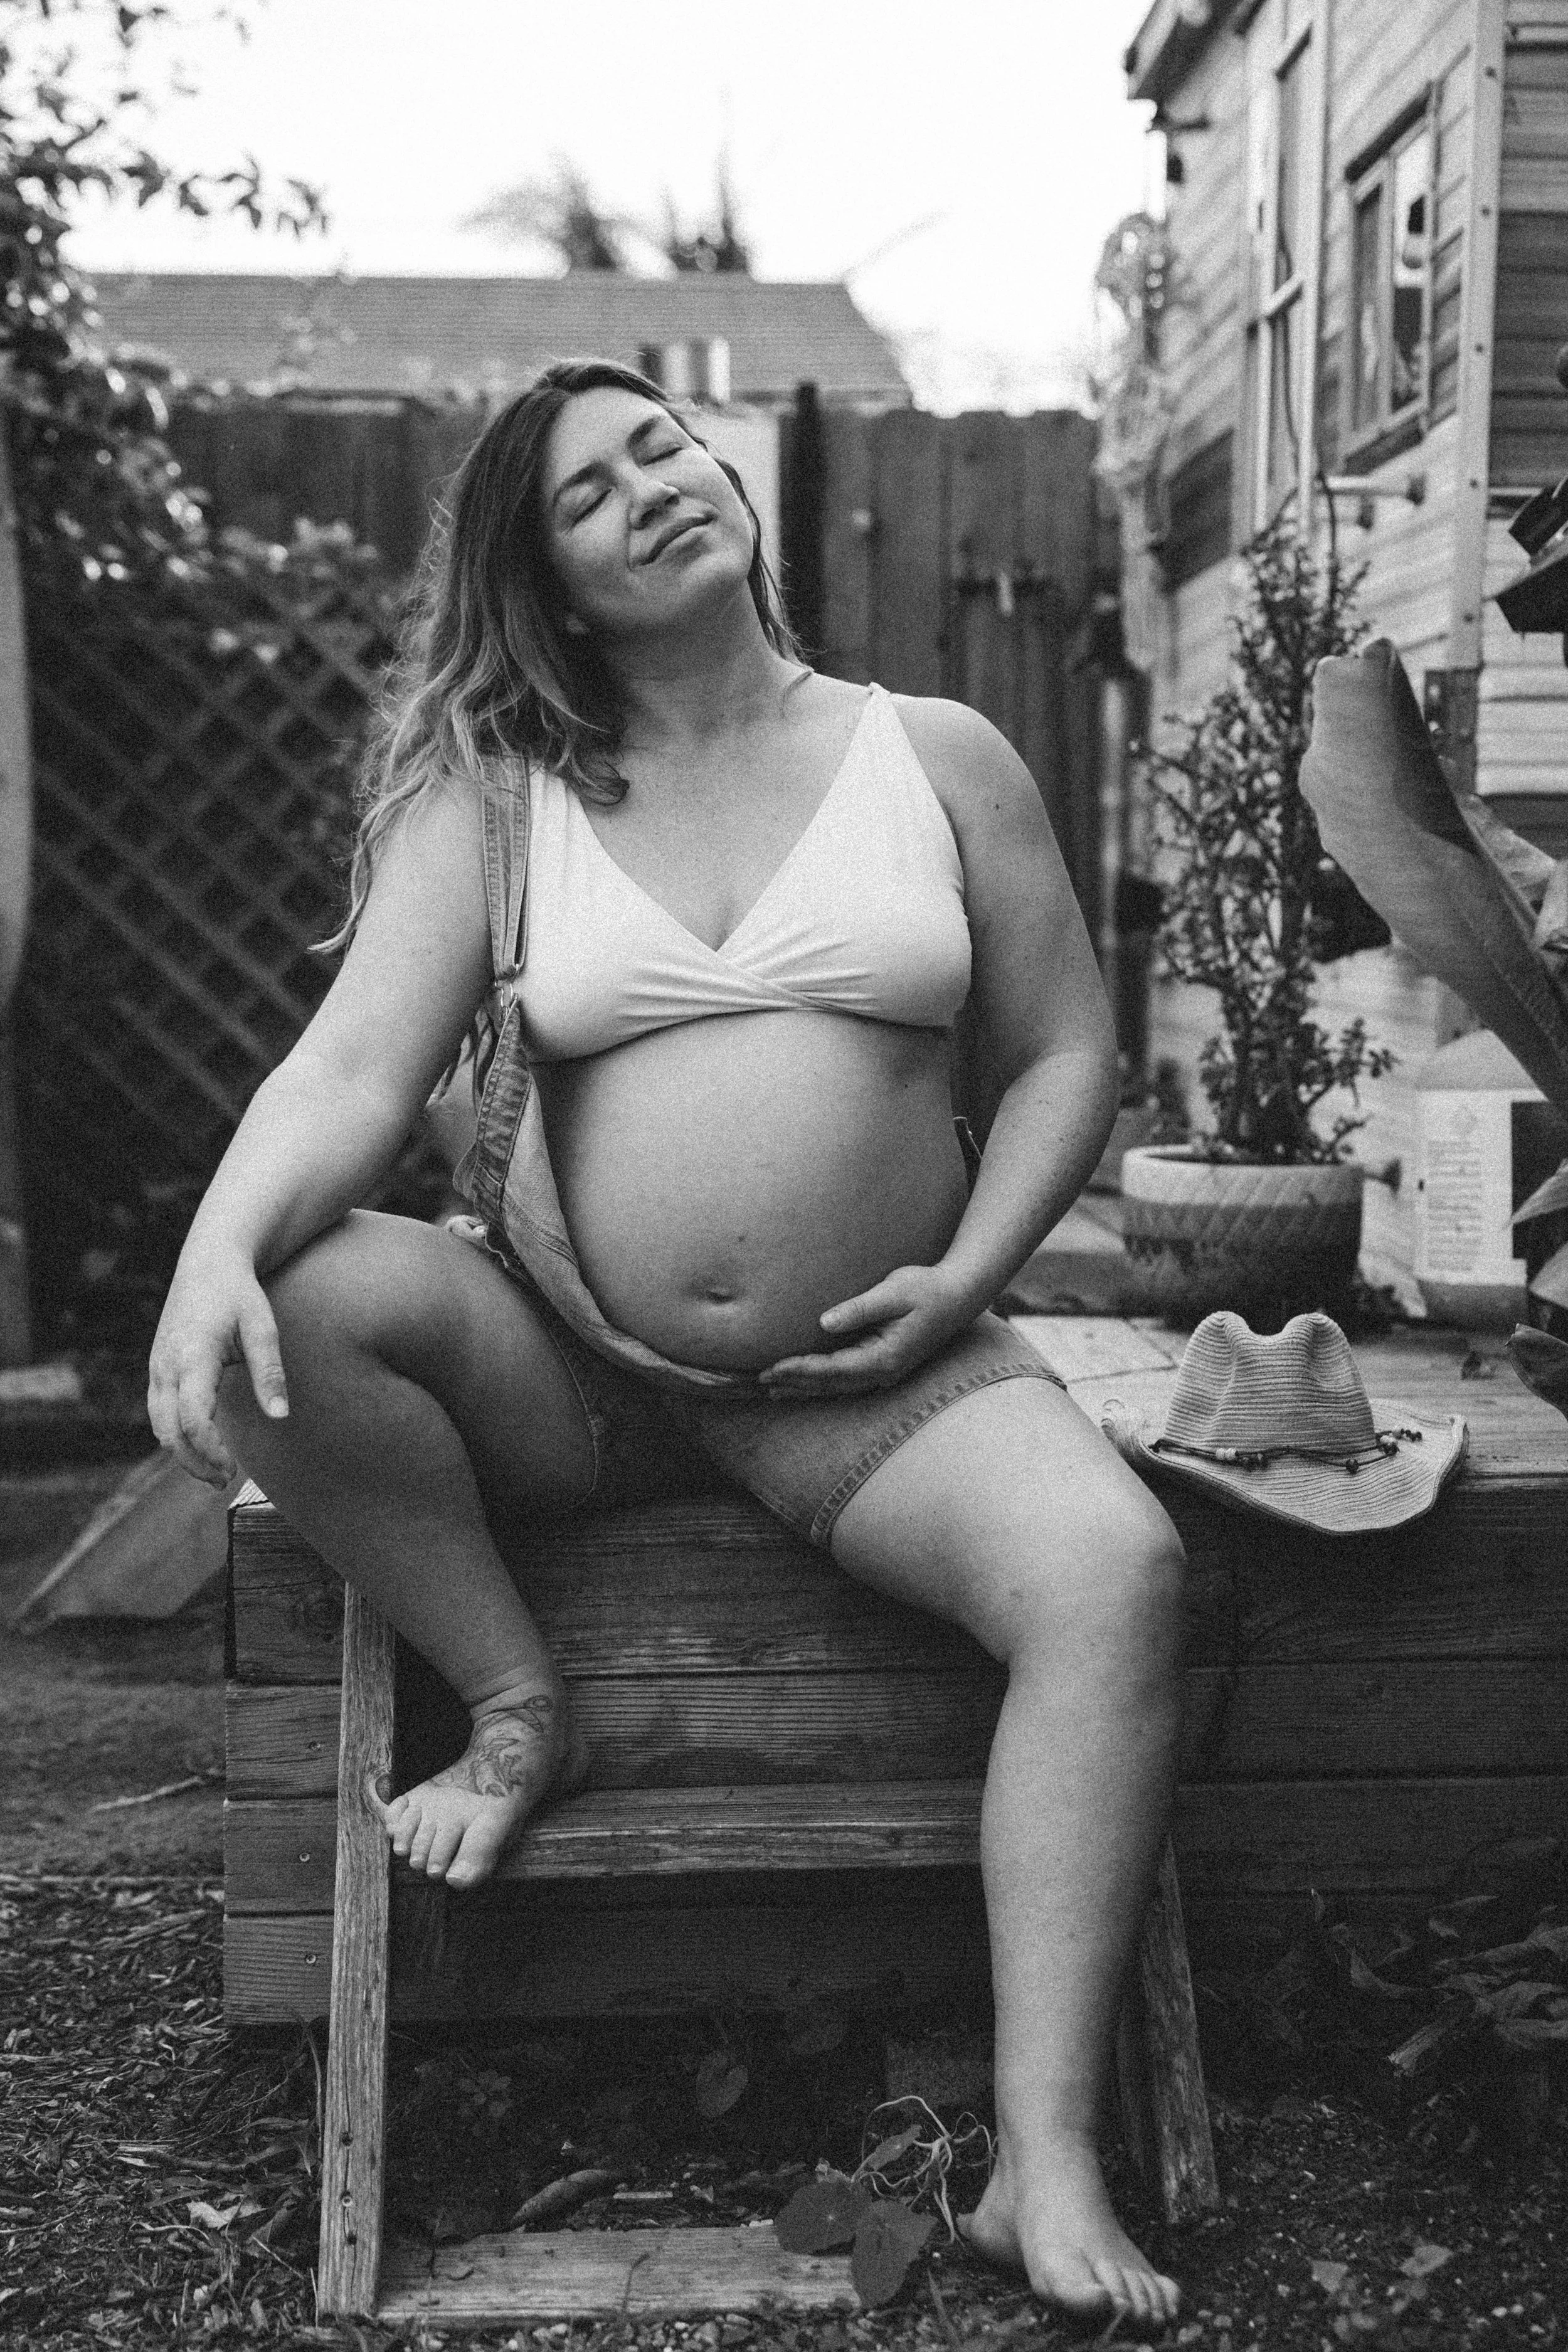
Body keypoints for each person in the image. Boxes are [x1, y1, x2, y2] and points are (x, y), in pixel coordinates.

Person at [147, 360, 1185, 2329]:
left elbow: (1063, 1049)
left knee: (1115, 1571)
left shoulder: (935, 752)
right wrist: (210, 1255)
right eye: (583, 497)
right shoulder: (505, 796)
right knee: (303, 1294)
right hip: (576, 1374)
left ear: (721, 472)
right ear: (543, 582)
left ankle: (1040, 2149)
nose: (646, 491)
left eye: (661, 448)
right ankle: (519, 1701)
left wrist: (965, 1272)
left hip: (869, 1390)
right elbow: (351, 1071)